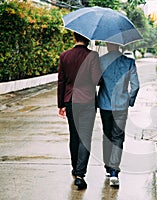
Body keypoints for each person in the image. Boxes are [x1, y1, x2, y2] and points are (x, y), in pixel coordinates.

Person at [57, 32, 101, 190]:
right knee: (85, 137)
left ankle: (75, 169)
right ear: (88, 40)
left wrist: (60, 104)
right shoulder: (93, 56)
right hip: (88, 101)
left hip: (70, 101)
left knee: (74, 135)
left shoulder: (65, 56)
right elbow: (97, 80)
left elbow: (61, 81)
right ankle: (81, 174)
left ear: (74, 38)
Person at [97, 42, 139, 187]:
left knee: (107, 135)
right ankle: (114, 172)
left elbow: (96, 82)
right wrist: (130, 101)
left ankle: (108, 167)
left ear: (108, 45)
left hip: (104, 104)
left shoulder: (101, 61)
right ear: (120, 46)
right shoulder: (129, 62)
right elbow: (136, 86)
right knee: (118, 137)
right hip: (121, 106)